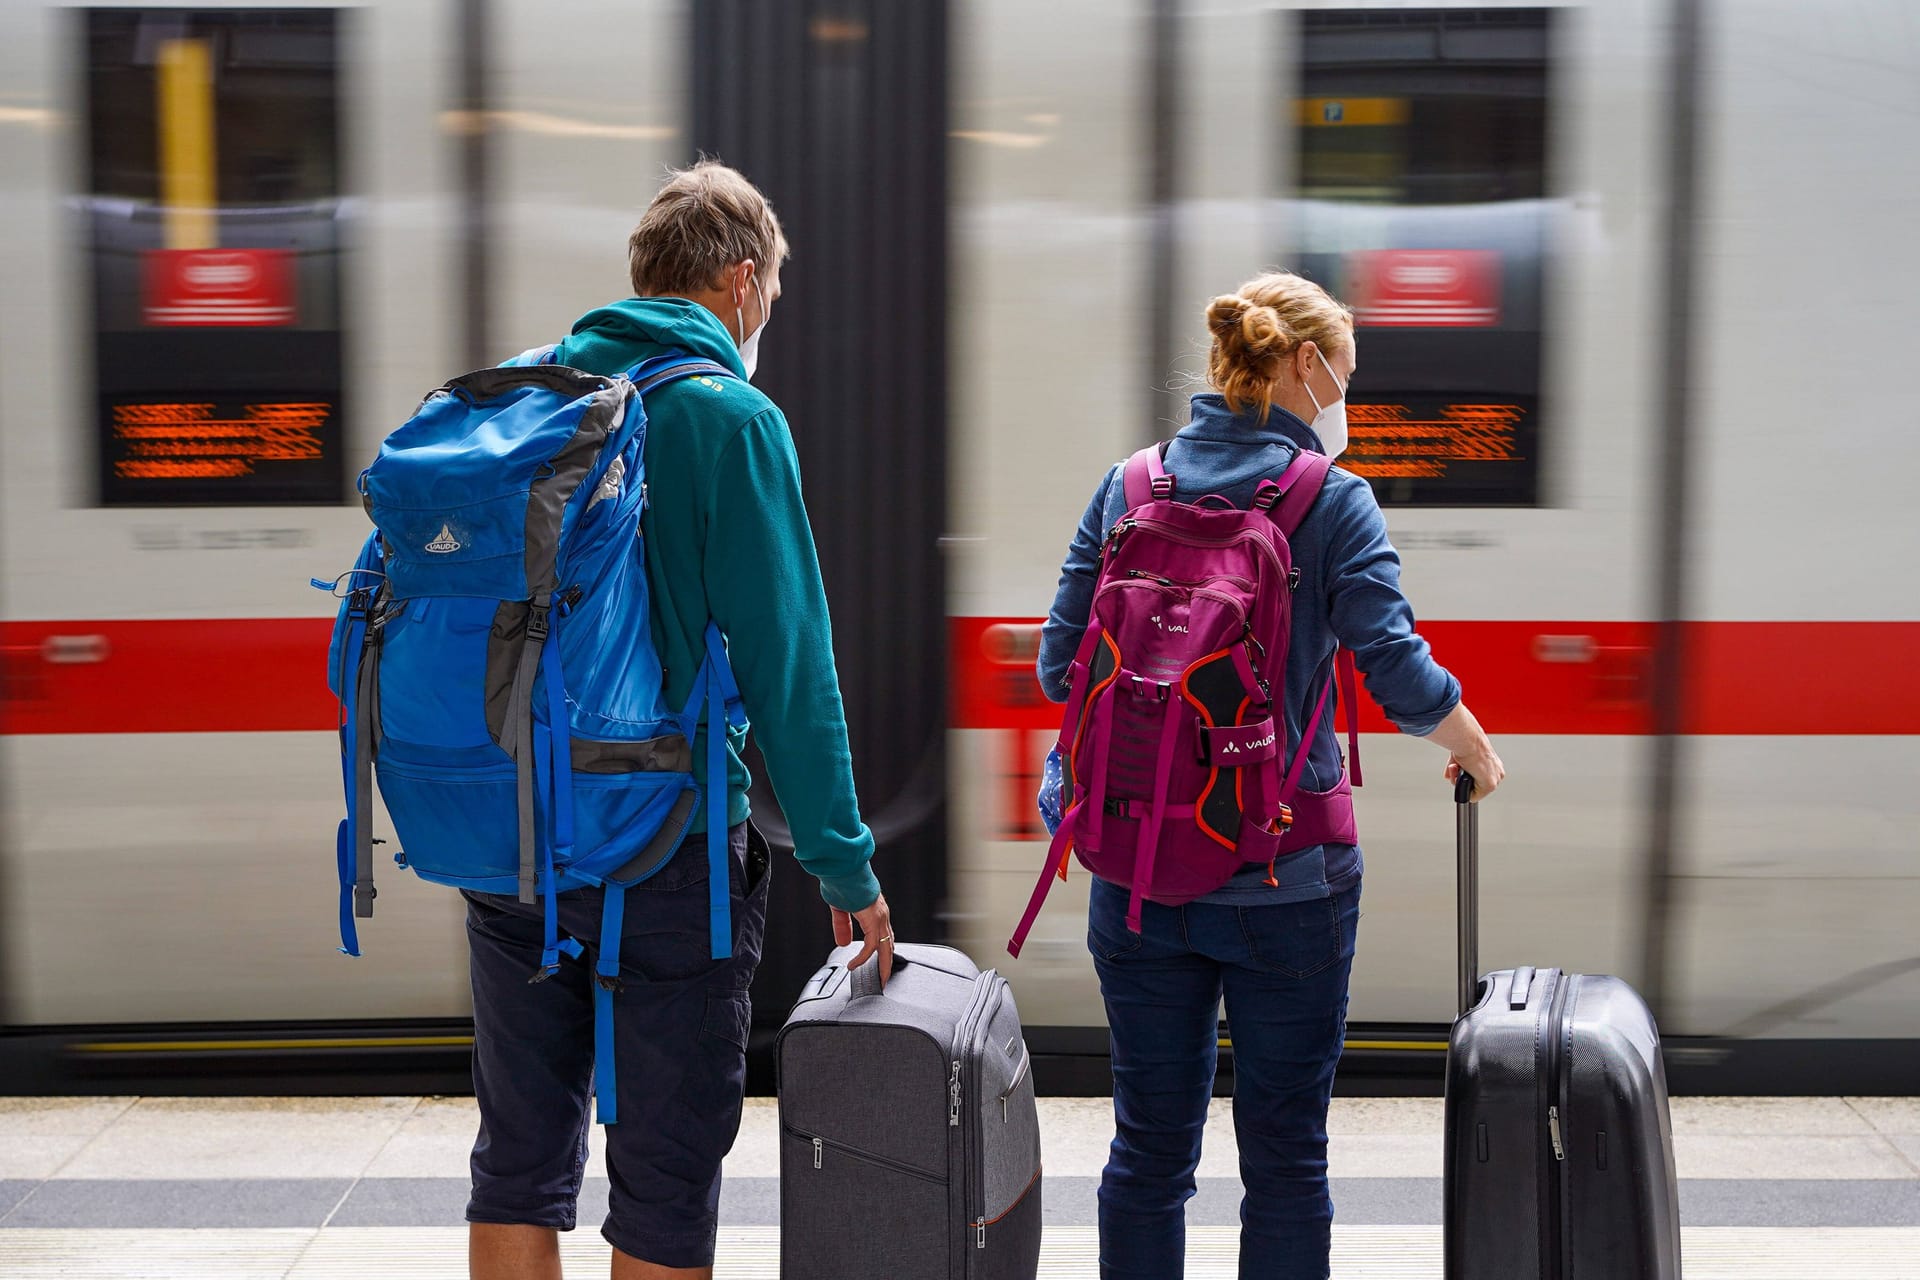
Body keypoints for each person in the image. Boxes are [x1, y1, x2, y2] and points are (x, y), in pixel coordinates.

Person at [463, 160, 894, 1280]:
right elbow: (791, 664)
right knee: (662, 1177)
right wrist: (845, 865)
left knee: (515, 1158)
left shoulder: (525, 393)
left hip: (510, 830)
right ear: (742, 284)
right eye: (770, 302)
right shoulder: (728, 418)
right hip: (670, 847)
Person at [1037, 270, 1505, 1280]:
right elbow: (1395, 666)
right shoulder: (1332, 499)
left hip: (1139, 870)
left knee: (1148, 1151)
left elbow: (1054, 665)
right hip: (1287, 880)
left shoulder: (1125, 487)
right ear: (1304, 363)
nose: (1346, 396)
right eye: (1345, 374)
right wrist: (1469, 742)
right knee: (1286, 1161)